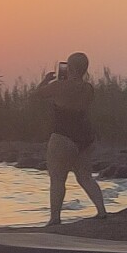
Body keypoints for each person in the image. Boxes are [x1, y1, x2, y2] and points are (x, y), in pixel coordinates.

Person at [34, 52, 107, 226]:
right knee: (85, 176)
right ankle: (102, 211)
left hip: (63, 136)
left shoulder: (59, 86)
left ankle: (55, 218)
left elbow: (39, 94)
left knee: (57, 179)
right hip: (85, 137)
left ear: (71, 67)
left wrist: (46, 80)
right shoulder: (88, 88)